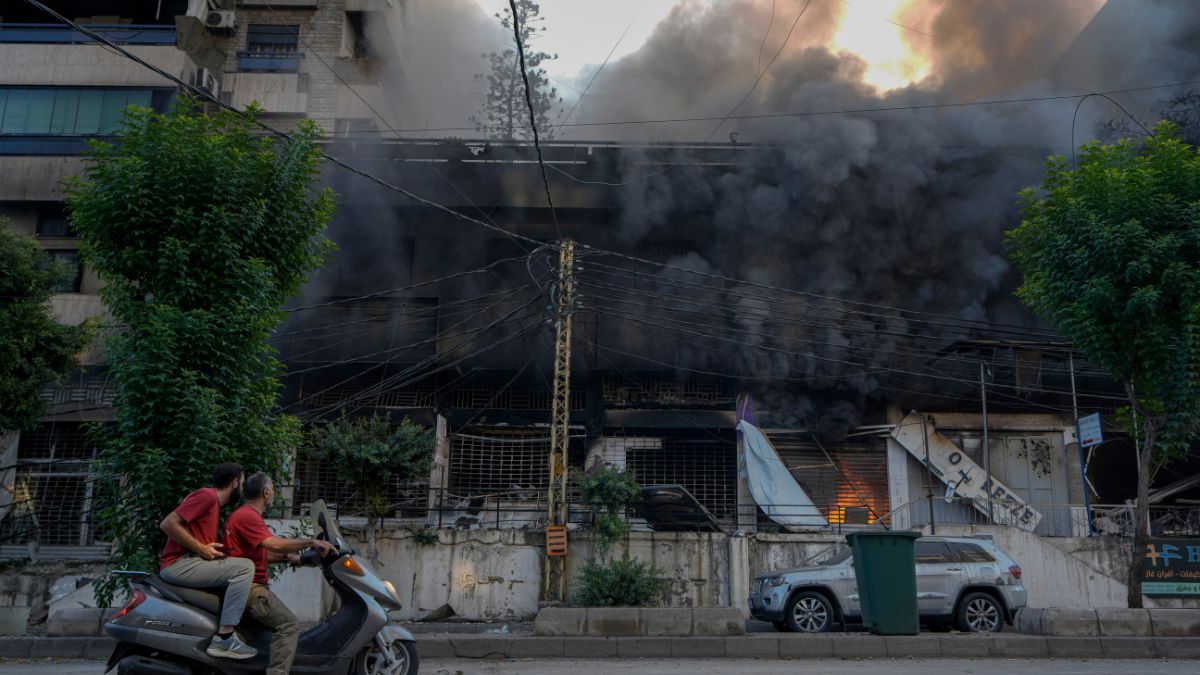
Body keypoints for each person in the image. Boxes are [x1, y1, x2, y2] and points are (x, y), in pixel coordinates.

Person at [224, 471, 337, 675]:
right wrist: (311, 542)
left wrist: (291, 559)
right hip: (251, 590)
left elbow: (259, 554)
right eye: (273, 489)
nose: (274, 492)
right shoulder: (248, 516)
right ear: (266, 492)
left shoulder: (245, 514)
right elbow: (273, 544)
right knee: (289, 624)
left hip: (248, 586)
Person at [158, 462, 257, 660]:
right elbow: (168, 523)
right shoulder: (207, 496)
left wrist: (209, 549)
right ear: (234, 482)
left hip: (189, 562)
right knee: (245, 568)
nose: (243, 487)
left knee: (237, 567)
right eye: (243, 482)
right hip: (179, 564)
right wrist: (201, 548)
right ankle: (225, 638)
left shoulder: (213, 504)